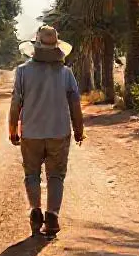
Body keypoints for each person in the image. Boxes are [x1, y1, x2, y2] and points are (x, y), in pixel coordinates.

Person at [9, 25, 85, 239]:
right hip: (59, 133)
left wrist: (12, 129)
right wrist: (79, 130)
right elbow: (75, 104)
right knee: (56, 176)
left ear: (35, 46)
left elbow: (16, 103)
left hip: (31, 133)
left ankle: (35, 212)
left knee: (31, 174)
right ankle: (52, 216)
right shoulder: (66, 73)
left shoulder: (23, 71)